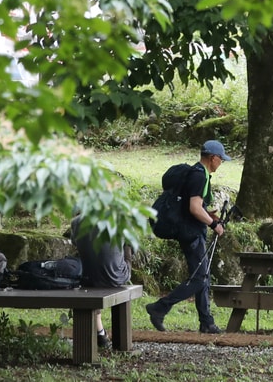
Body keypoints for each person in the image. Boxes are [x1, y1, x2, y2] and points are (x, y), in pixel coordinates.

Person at [144, 139, 232, 334]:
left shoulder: (198, 173)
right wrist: (214, 224)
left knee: (203, 275)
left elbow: (194, 206)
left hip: (190, 230)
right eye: (221, 159)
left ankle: (206, 322)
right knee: (200, 277)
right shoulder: (199, 177)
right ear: (213, 158)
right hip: (191, 233)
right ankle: (160, 307)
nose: (221, 163)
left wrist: (209, 214)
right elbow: (194, 208)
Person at [71, 213, 133, 349]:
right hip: (116, 277)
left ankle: (100, 332)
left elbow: (75, 242)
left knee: (90, 253)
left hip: (87, 278)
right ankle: (103, 334)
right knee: (127, 246)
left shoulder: (76, 222)